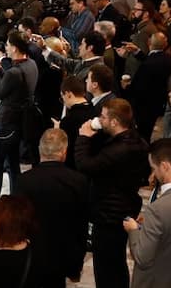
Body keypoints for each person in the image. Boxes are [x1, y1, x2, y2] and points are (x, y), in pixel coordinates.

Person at [75, 98, 150, 288]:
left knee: (106, 267)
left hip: (109, 214)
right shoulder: (136, 141)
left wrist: (83, 137)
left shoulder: (119, 150)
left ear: (115, 121)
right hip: (124, 207)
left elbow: (86, 165)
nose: (100, 119)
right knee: (117, 264)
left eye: (103, 117)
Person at [13, 129, 90, 287]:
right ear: (64, 152)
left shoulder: (23, 181)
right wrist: (76, 265)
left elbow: (16, 223)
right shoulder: (79, 181)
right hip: (62, 256)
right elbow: (81, 226)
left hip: (29, 256)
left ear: (40, 150)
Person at [0, 30, 38, 203]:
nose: (6, 47)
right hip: (20, 121)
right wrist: (0, 69)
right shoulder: (31, 65)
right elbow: (10, 85)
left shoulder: (15, 72)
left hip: (6, 122)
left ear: (14, 48)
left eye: (7, 44)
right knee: (13, 162)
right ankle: (15, 196)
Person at [124, 138, 171, 288]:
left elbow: (142, 258)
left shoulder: (157, 209)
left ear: (164, 167)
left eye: (153, 168)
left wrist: (133, 230)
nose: (153, 175)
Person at [121, 32, 171, 143]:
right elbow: (152, 60)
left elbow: (138, 86)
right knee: (147, 131)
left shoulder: (147, 65)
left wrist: (126, 87)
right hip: (158, 102)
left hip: (143, 105)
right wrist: (137, 51)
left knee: (142, 134)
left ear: (149, 43)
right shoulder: (167, 59)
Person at [56, 76, 94, 169]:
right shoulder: (95, 110)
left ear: (68, 94)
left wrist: (58, 130)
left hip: (75, 167)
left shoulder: (68, 121)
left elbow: (66, 151)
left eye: (62, 97)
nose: (63, 101)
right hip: (92, 164)